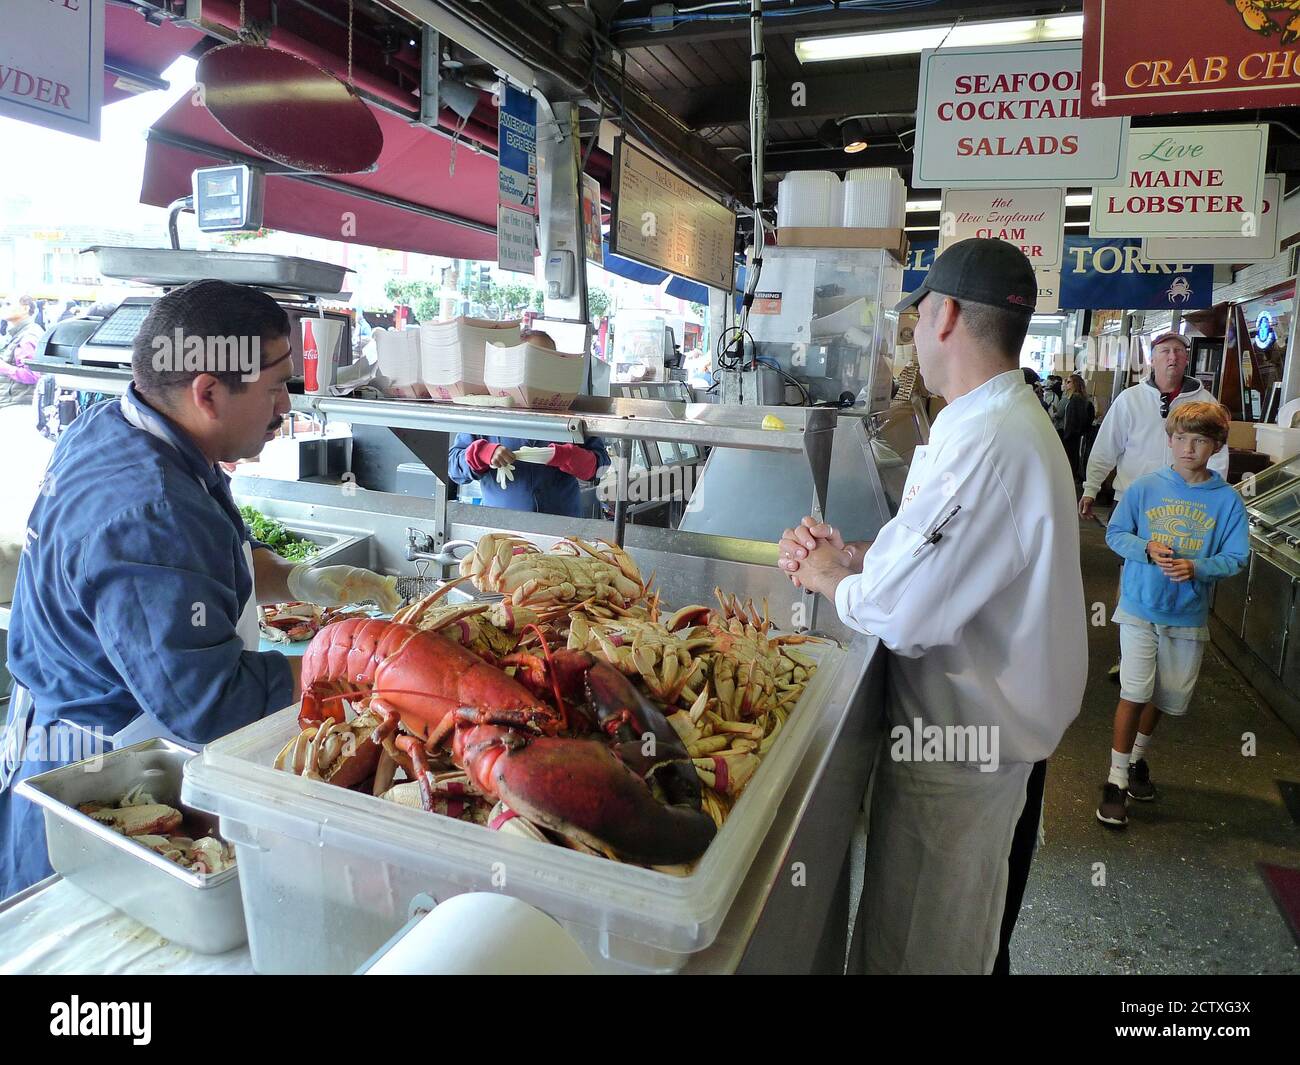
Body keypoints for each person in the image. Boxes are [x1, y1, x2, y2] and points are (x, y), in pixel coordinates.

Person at [0, 280, 400, 900]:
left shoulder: (129, 427)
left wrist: (299, 578)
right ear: (208, 393)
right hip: (100, 781)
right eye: (274, 390)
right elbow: (210, 702)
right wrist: (361, 668)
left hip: (102, 738)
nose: (283, 409)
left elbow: (210, 563)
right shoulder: (147, 510)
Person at [779, 239, 1087, 974]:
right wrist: (857, 555)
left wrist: (827, 574)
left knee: (918, 948)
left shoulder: (992, 439)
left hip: (961, 750)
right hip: (969, 742)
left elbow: (903, 613)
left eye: (916, 315)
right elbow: (942, 555)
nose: (912, 332)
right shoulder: (987, 420)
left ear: (945, 315)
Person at [1095, 401, 1248, 828]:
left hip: (1187, 615)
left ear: (1215, 446)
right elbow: (1115, 532)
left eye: (1199, 440)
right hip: (1140, 608)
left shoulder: (1226, 502)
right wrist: (1145, 548)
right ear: (1169, 440)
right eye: (1180, 438)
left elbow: (1236, 556)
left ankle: (1137, 759)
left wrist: (1198, 567)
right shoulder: (1145, 488)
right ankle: (1115, 778)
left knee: (1167, 695)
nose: (1188, 448)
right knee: (1135, 690)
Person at [448, 329, 608, 518]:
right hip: (502, 528)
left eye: (547, 361)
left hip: (561, 528)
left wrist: (570, 457)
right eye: (533, 361)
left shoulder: (570, 409)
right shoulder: (488, 411)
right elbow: (453, 467)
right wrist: (481, 454)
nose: (539, 370)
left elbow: (600, 468)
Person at [0, 295, 42, 409]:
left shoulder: (29, 335)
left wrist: (3, 367)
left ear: (25, 308)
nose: (3, 308)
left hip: (18, 404)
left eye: (9, 304)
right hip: (14, 401)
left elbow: (32, 375)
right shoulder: (19, 333)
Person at [1059, 373, 1095, 482]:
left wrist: (1067, 435)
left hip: (1072, 437)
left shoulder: (1076, 399)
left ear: (1075, 384)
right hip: (1075, 436)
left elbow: (1074, 420)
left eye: (1069, 382)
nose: (1066, 384)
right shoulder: (1079, 399)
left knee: (1071, 460)